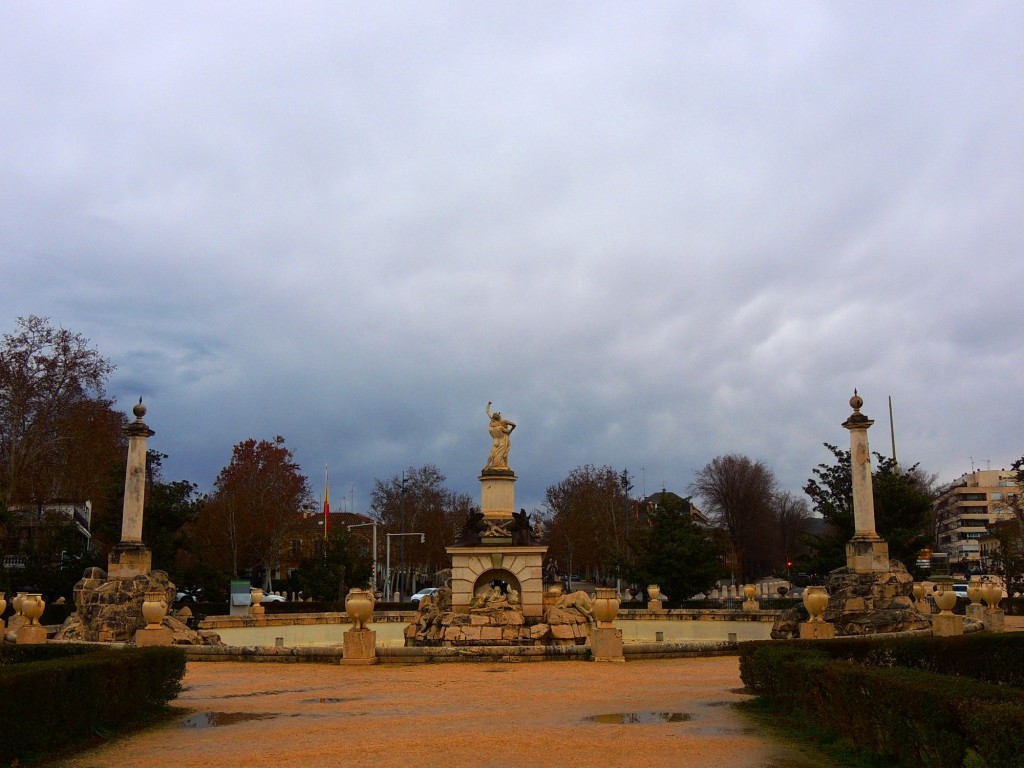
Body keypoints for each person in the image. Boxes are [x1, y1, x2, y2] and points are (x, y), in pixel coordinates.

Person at [484, 401, 516, 470]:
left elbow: (487, 411)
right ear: (499, 416)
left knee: (491, 455)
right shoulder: (503, 422)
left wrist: (488, 404)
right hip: (503, 440)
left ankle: (487, 466)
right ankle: (505, 466)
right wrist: (510, 430)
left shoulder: (493, 420)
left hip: (496, 441)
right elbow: (514, 425)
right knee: (504, 454)